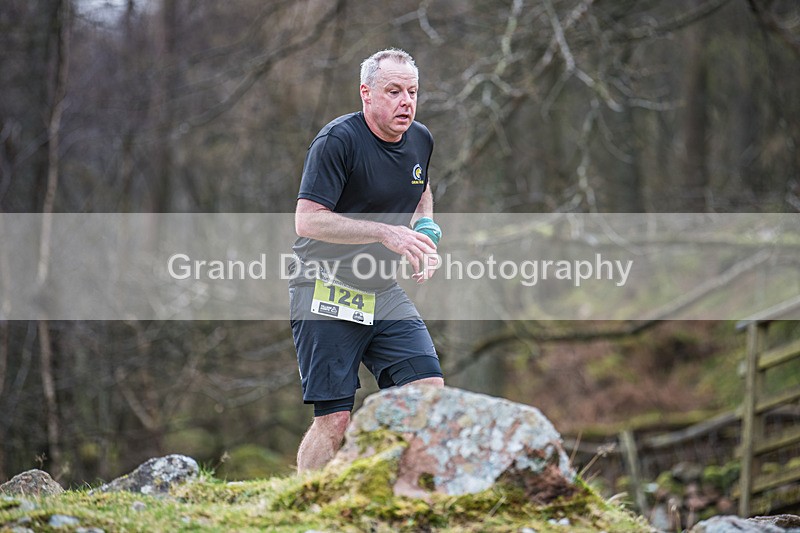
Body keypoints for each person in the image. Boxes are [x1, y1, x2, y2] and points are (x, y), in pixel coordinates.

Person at [289, 48, 444, 472]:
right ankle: (308, 507)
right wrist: (385, 232)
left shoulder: (420, 138)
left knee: (427, 388)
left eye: (412, 91)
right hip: (324, 288)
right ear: (366, 93)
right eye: (393, 91)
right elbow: (308, 221)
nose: (406, 101)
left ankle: (385, 488)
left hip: (381, 291)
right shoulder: (338, 141)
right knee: (335, 419)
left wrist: (425, 231)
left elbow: (421, 186)